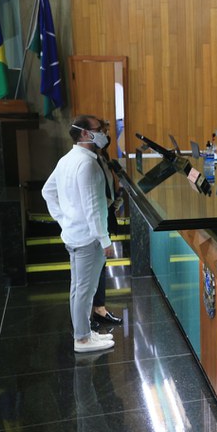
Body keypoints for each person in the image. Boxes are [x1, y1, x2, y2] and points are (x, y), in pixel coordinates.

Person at [42, 115, 116, 353]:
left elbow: (47, 192)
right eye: (99, 129)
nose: (103, 133)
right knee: (85, 290)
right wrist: (104, 240)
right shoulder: (87, 165)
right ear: (85, 133)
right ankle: (82, 339)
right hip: (88, 239)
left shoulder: (67, 159)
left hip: (75, 235)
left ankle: (83, 332)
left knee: (79, 289)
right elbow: (93, 208)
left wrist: (64, 219)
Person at [91, 121, 124, 329]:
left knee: (100, 266)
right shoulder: (90, 161)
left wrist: (116, 202)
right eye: (103, 133)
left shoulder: (103, 157)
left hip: (106, 214)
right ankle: (90, 315)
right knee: (93, 270)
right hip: (97, 219)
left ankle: (99, 309)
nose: (107, 137)